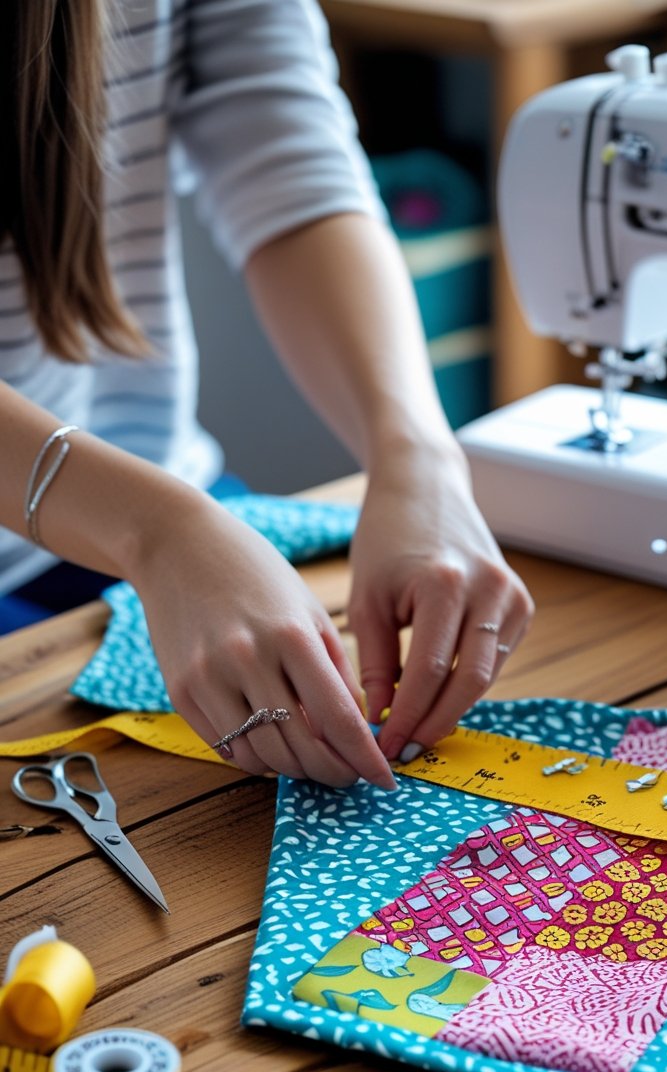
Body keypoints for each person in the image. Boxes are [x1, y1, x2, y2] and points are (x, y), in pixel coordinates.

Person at [0, 0, 533, 787]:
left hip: (157, 489)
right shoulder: (168, 527)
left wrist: (417, 458)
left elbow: (288, 161)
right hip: (150, 518)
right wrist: (160, 533)